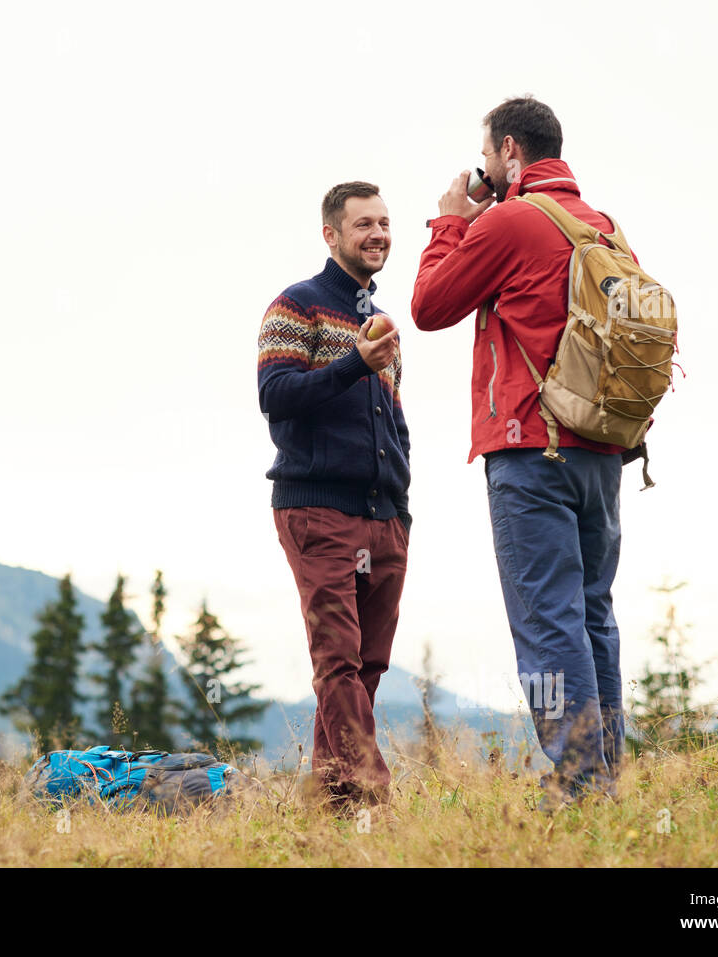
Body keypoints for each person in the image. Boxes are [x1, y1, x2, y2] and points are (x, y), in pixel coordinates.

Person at [410, 97, 634, 807]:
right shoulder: (604, 227)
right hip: (602, 448)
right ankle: (606, 773)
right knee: (593, 611)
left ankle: (576, 781)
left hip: (530, 447)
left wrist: (452, 220)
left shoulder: (510, 220)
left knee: (545, 618)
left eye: (487, 158)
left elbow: (429, 305)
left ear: (509, 150)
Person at [257, 181, 412, 808]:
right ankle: (372, 797)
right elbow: (276, 398)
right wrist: (354, 361)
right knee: (338, 660)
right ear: (332, 235)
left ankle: (331, 805)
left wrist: (402, 507)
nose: (377, 234)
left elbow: (393, 422)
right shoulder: (295, 307)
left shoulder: (381, 320)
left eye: (384, 222)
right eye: (363, 225)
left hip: (385, 519)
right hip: (318, 511)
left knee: (368, 663)